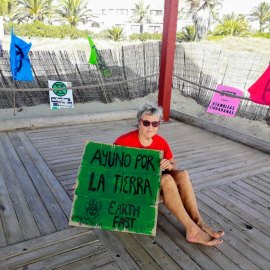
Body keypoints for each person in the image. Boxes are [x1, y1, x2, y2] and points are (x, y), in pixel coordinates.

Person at [114, 101, 225, 246]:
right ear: (139, 123)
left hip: (151, 185)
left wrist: (169, 165)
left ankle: (199, 223)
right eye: (146, 123)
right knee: (166, 179)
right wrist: (84, 181)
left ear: (159, 125)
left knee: (183, 173)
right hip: (132, 191)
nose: (150, 127)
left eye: (155, 124)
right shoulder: (124, 140)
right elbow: (104, 163)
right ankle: (192, 231)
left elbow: (174, 164)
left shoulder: (160, 142)